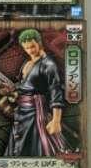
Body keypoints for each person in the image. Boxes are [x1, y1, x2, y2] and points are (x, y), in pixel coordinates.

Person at [4, 28, 66, 160]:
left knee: (38, 148)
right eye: (26, 48)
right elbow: (24, 86)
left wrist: (56, 120)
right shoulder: (27, 63)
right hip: (21, 113)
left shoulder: (48, 65)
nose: (30, 50)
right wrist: (12, 91)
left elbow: (55, 91)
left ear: (39, 42)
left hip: (36, 112)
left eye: (32, 46)